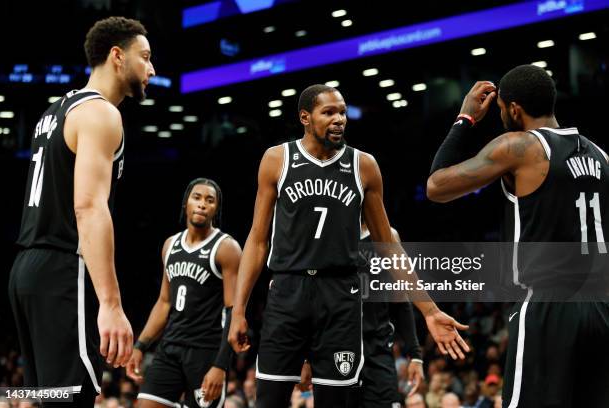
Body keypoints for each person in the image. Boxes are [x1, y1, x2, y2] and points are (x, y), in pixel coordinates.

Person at [228, 84, 469, 408]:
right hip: (287, 291)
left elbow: (388, 246)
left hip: (340, 295)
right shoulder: (277, 159)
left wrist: (429, 309)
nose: (339, 119)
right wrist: (239, 310)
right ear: (305, 117)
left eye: (342, 112)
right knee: (269, 400)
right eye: (329, 112)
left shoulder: (364, 166)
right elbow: (257, 239)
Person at [427, 64, 609, 407]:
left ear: (514, 109)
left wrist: (464, 120)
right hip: (602, 305)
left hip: (546, 304)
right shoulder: (601, 156)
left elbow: (437, 187)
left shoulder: (521, 147)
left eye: (500, 110)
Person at [8, 17, 155, 407]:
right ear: (117, 56)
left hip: (28, 269)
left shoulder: (54, 111)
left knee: (49, 399)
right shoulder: (102, 114)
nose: (152, 69)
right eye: (145, 57)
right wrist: (111, 304)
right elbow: (89, 207)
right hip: (63, 270)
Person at [126, 178, 242, 408]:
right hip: (170, 348)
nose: (202, 204)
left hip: (206, 353)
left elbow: (234, 311)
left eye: (210, 200)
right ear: (186, 204)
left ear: (216, 209)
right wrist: (140, 345)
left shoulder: (226, 248)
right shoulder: (170, 245)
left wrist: (221, 365)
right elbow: (164, 302)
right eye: (196, 198)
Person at [300, 220, 425, 408]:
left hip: (377, 349)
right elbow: (312, 303)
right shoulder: (324, 237)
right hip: (334, 348)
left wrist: (415, 355)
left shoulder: (387, 235)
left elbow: (400, 300)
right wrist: (306, 358)